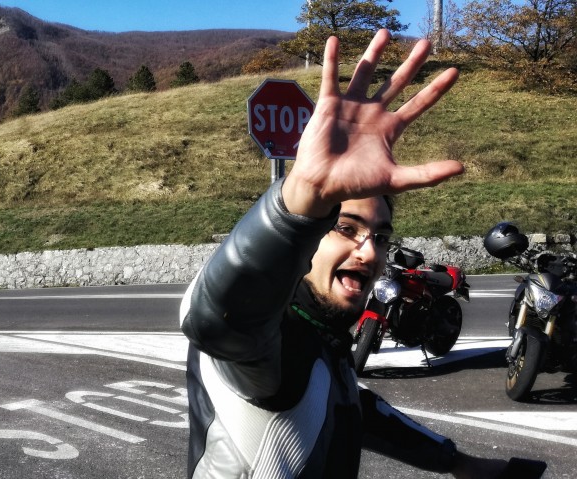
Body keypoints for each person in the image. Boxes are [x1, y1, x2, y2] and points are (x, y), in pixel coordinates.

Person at [180, 30, 537, 478]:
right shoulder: (266, 344)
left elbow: (351, 405)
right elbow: (218, 320)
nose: (369, 253)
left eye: (381, 237)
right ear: (306, 234)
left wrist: (459, 463)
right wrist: (302, 199)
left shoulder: (321, 339)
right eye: (345, 228)